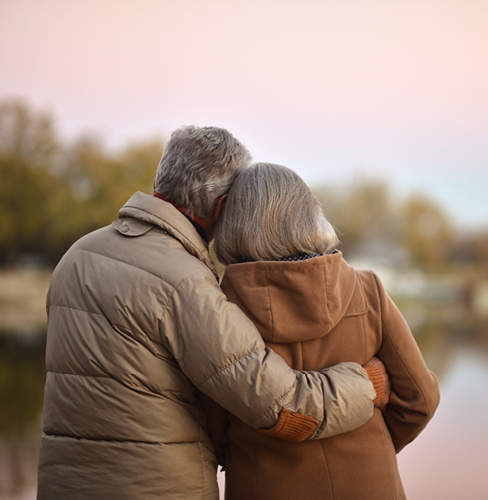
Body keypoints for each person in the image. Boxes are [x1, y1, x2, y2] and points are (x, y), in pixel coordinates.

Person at [37, 127, 388, 500]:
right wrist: (367, 385)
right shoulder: (184, 281)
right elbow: (282, 407)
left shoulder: (78, 255)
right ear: (222, 207)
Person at [206, 163, 440, 500]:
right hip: (372, 485)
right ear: (309, 213)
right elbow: (420, 398)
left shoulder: (219, 309)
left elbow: (213, 430)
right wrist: (373, 446)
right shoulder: (368, 289)